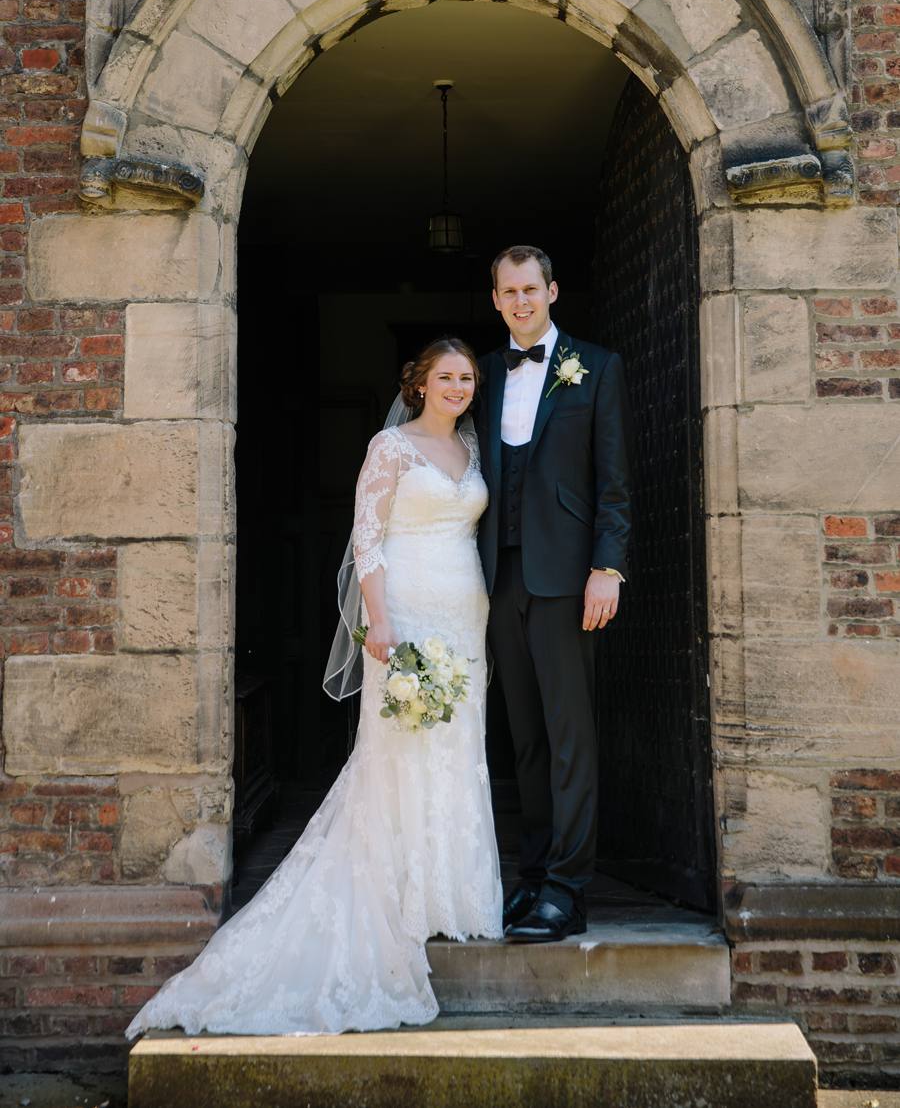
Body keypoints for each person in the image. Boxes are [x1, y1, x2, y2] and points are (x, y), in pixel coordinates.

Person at [125, 338, 502, 1039]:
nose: (458, 386)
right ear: (418, 384)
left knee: (458, 748)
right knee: (398, 752)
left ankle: (456, 897)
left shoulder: (475, 452)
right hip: (408, 613)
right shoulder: (390, 447)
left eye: (467, 377)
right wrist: (381, 620)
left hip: (464, 613)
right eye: (445, 376)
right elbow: (368, 538)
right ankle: (401, 901)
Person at [475, 245, 631, 944]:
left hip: (568, 580)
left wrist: (609, 567)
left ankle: (568, 891)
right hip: (496, 577)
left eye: (530, 288)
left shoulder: (596, 368)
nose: (520, 301)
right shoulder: (477, 375)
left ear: (553, 290)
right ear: (496, 299)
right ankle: (533, 877)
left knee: (570, 739)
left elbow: (614, 483)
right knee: (526, 741)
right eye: (508, 291)